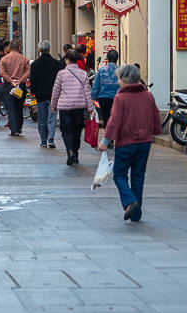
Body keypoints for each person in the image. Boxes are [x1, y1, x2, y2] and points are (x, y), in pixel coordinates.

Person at [98, 65, 161, 221]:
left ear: (123, 79)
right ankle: (136, 214)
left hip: (126, 142)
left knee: (119, 174)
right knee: (138, 176)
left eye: (118, 78)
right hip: (145, 142)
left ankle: (130, 201)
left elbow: (114, 121)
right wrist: (155, 130)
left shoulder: (121, 97)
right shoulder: (148, 95)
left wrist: (105, 141)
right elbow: (156, 115)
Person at [51, 50, 95, 165]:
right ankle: (75, 152)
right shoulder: (83, 74)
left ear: (66, 60)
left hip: (65, 108)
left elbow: (56, 91)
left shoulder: (61, 74)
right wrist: (91, 109)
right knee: (77, 131)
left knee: (66, 130)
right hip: (79, 108)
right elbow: (87, 93)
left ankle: (70, 151)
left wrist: (53, 105)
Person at [29, 41, 62, 148]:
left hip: (40, 95)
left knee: (42, 118)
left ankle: (43, 140)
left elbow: (32, 81)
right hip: (53, 95)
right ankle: (51, 139)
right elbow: (59, 80)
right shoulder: (56, 63)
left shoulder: (35, 64)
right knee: (52, 118)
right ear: (49, 49)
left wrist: (34, 92)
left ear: (39, 50)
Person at [0, 40, 30, 136]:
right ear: (19, 47)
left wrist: (10, 80)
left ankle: (14, 129)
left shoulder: (4, 59)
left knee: (10, 107)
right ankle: (19, 127)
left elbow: (2, 72)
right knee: (19, 106)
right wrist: (20, 80)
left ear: (9, 47)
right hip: (20, 85)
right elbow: (28, 72)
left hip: (9, 85)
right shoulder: (24, 59)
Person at [90, 49, 120, 128]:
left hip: (104, 99)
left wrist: (93, 97)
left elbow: (96, 86)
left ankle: (108, 136)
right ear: (117, 58)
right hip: (118, 99)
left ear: (107, 58)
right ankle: (115, 137)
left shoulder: (102, 70)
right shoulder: (121, 71)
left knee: (106, 119)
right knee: (117, 119)